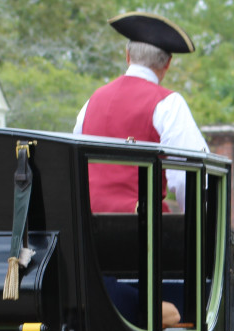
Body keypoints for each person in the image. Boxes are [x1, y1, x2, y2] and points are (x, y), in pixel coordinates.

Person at [73, 11, 208, 213]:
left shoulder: (91, 102)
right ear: (168, 63)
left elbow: (74, 165)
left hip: (85, 226)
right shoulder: (169, 104)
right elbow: (189, 179)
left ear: (127, 56)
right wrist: (199, 233)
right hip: (142, 231)